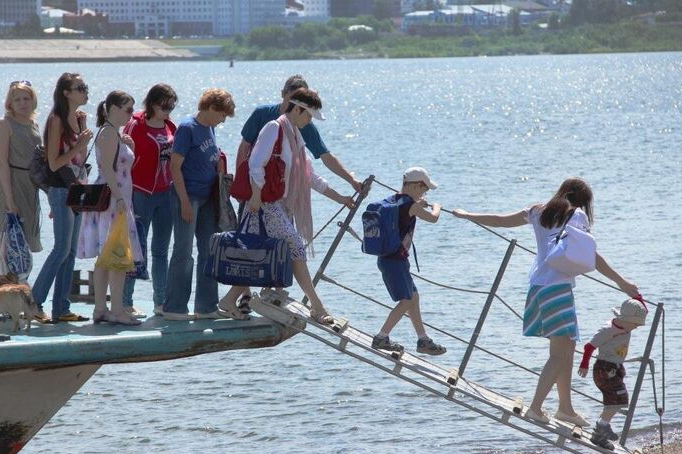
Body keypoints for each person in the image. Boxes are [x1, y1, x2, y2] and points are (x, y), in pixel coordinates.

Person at [452, 178, 639, 427]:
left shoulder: (539, 210)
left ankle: (565, 408)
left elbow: (501, 219)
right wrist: (621, 282)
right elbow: (593, 256)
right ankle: (536, 408)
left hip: (537, 288)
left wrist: (467, 215)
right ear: (583, 200)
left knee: (565, 348)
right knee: (560, 356)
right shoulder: (577, 215)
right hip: (558, 290)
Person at [217, 88, 354, 323]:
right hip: (264, 205)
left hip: (277, 206)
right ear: (298, 109)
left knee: (257, 256)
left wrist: (342, 198)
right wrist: (257, 195)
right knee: (296, 250)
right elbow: (256, 163)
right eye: (308, 115)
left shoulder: (296, 137)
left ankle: (228, 301)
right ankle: (317, 307)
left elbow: (310, 177)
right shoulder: (274, 128)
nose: (309, 121)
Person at [162, 88, 235, 320]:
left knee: (209, 251)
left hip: (207, 198)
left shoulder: (210, 127)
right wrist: (184, 201)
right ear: (212, 108)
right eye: (222, 115)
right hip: (188, 196)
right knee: (183, 252)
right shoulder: (187, 128)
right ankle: (174, 308)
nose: (223, 120)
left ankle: (206, 307)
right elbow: (175, 167)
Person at [77, 90, 143, 326]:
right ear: (113, 108)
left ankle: (101, 309)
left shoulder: (114, 133)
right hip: (113, 201)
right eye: (127, 109)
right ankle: (115, 310)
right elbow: (107, 168)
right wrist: (119, 198)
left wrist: (129, 145)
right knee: (116, 256)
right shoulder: (108, 134)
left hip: (118, 198)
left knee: (107, 257)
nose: (131, 114)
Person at [32, 72, 93, 324]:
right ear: (66, 92)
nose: (85, 91)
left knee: (70, 252)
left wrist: (82, 138)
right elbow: (54, 164)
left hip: (78, 189)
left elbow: (80, 160)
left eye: (85, 87)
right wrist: (79, 145)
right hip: (61, 190)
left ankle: (61, 309)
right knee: (60, 249)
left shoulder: (76, 119)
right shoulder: (56, 120)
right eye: (80, 87)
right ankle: (34, 303)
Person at [370, 167, 447, 355]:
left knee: (413, 296)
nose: (425, 191)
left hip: (389, 259)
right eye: (423, 187)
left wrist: (419, 203)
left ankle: (423, 339)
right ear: (414, 186)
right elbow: (433, 219)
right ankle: (381, 337)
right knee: (406, 300)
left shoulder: (396, 200)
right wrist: (437, 207)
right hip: (396, 262)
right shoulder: (411, 206)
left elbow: (408, 210)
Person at [122, 83, 178, 318]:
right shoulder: (136, 125)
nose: (168, 111)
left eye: (171, 106)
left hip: (166, 193)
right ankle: (125, 302)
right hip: (140, 192)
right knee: (136, 249)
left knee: (161, 251)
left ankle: (161, 302)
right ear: (153, 104)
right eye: (164, 106)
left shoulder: (170, 126)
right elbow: (122, 158)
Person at [578, 298, 648, 450]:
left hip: (615, 368)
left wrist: (637, 296)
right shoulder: (608, 330)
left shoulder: (627, 326)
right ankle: (600, 429)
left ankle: (601, 430)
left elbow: (644, 311)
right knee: (616, 399)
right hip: (604, 369)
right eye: (635, 324)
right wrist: (584, 365)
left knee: (620, 399)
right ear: (625, 319)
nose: (636, 327)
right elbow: (589, 346)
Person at [0, 80, 43, 253]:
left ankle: (22, 280)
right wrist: (9, 199)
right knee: (11, 242)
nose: (22, 103)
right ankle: (8, 280)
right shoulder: (5, 124)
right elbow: (2, 163)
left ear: (33, 100)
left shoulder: (34, 124)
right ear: (10, 103)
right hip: (12, 184)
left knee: (27, 242)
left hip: (31, 187)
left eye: (26, 99)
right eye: (18, 100)